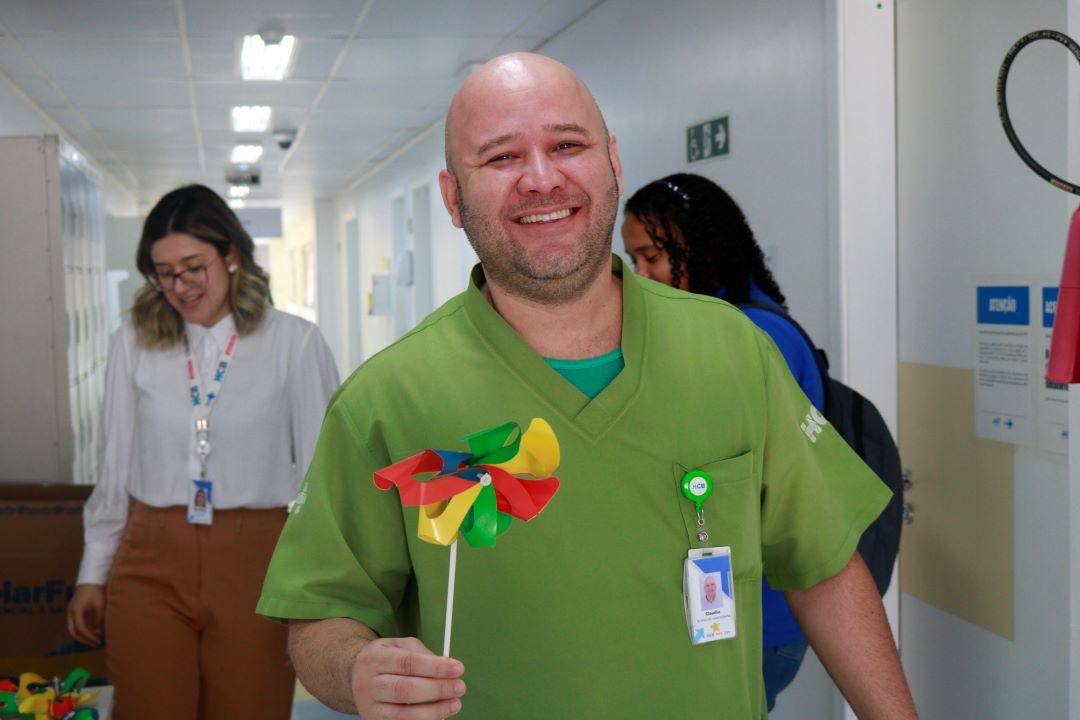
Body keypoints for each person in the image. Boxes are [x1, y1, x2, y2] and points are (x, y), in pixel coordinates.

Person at [257, 53, 918, 719]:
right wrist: (356, 668)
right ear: (453, 198)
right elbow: (321, 614)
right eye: (501, 157)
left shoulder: (732, 350)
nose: (541, 179)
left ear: (613, 163)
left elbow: (826, 569)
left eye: (567, 145)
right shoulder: (387, 399)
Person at [66, 184, 340, 720]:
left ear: (231, 256)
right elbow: (114, 468)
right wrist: (90, 573)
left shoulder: (294, 343)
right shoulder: (133, 341)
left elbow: (323, 478)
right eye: (164, 273)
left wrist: (321, 592)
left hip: (257, 555)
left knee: (250, 708)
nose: (181, 286)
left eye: (194, 267)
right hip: (150, 550)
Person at [622, 172, 822, 711]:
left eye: (652, 257)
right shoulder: (710, 326)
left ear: (702, 247)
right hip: (725, 607)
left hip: (757, 616)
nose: (640, 276)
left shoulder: (753, 335)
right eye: (632, 260)